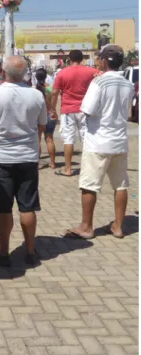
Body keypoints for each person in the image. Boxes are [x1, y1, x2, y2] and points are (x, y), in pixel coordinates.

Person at [0, 56, 47, 267]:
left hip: (0, 157)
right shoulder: (36, 95)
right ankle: (29, 250)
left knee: (3, 208)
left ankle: (4, 252)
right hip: (27, 156)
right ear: (26, 73)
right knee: (27, 206)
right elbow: (41, 125)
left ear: (3, 72)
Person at [65, 46, 134, 240]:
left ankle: (86, 227)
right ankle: (118, 227)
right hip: (119, 140)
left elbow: (88, 108)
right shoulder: (127, 84)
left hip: (98, 141)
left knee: (89, 185)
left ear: (104, 61)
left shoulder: (99, 82)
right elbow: (128, 114)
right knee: (120, 185)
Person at [50, 50, 97, 177]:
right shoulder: (91, 72)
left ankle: (68, 169)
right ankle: (90, 168)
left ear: (69, 60)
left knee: (68, 140)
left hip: (68, 111)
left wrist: (52, 109)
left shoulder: (62, 73)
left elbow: (54, 93)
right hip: (85, 110)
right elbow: (102, 78)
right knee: (88, 139)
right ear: (82, 59)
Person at [35, 68, 57, 169]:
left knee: (37, 140)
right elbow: (54, 103)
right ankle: (52, 163)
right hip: (50, 115)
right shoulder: (51, 89)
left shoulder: (34, 90)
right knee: (49, 139)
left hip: (38, 116)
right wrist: (53, 112)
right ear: (45, 77)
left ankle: (37, 163)